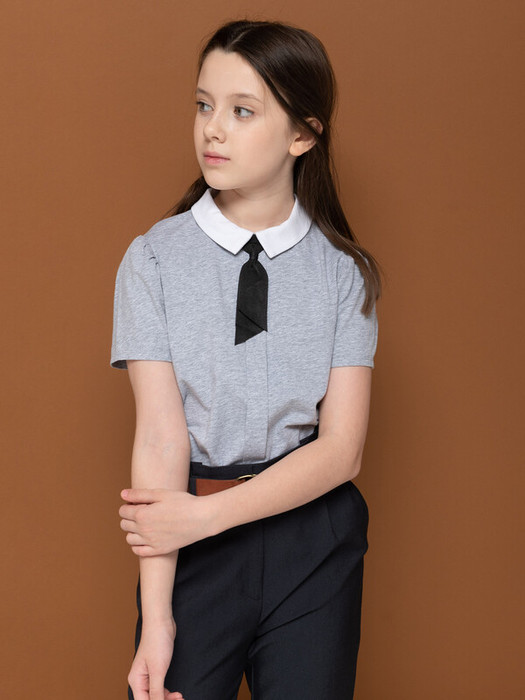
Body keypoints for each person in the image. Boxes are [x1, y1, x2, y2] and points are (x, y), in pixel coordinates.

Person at [112, 19, 381, 700]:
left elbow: (342, 450)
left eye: (241, 111)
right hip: (193, 546)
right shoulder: (152, 260)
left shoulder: (343, 274)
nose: (212, 129)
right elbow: (160, 437)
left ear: (303, 134)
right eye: (204, 105)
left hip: (312, 542)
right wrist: (157, 616)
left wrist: (206, 517)